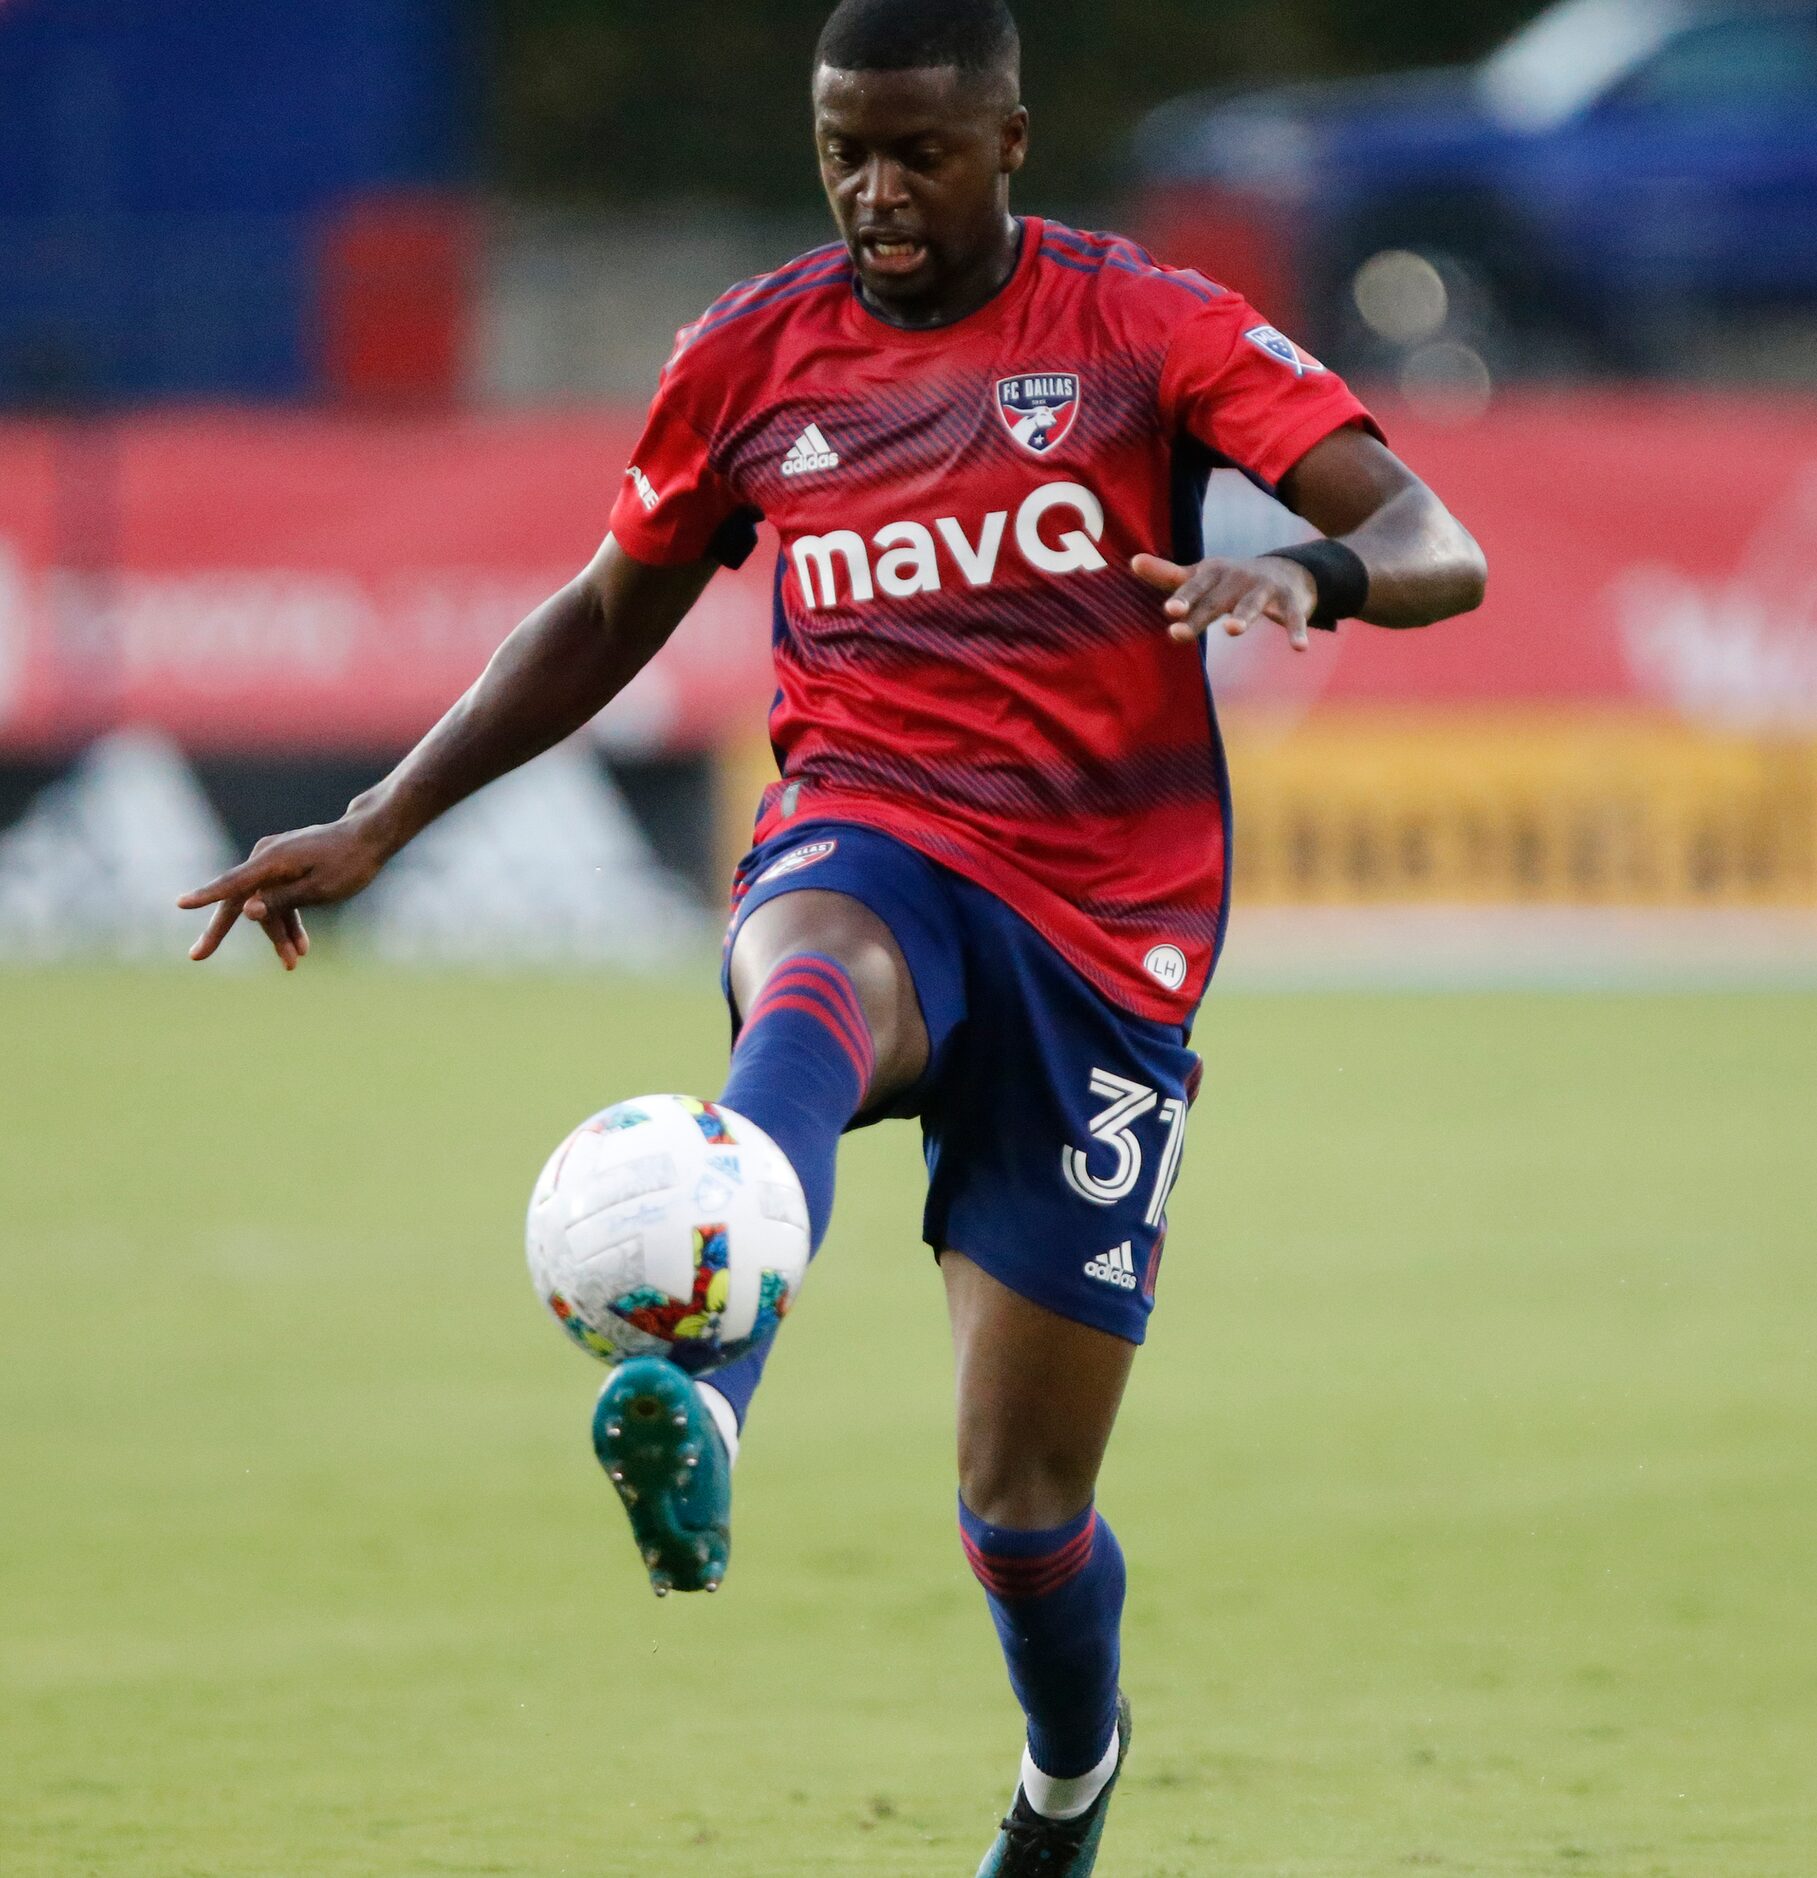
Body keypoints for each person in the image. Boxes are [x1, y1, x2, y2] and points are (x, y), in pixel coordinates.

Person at [180, 0, 1487, 1868]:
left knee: (1021, 1503)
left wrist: (1300, 567)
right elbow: (606, 608)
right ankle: (704, 1406)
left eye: (919, 152)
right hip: (867, 831)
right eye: (841, 150)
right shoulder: (751, 353)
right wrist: (384, 817)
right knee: (816, 973)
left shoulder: (1145, 328)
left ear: (1012, 142)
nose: (876, 190)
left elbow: (1444, 540)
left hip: (1107, 939)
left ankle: (1068, 1775)